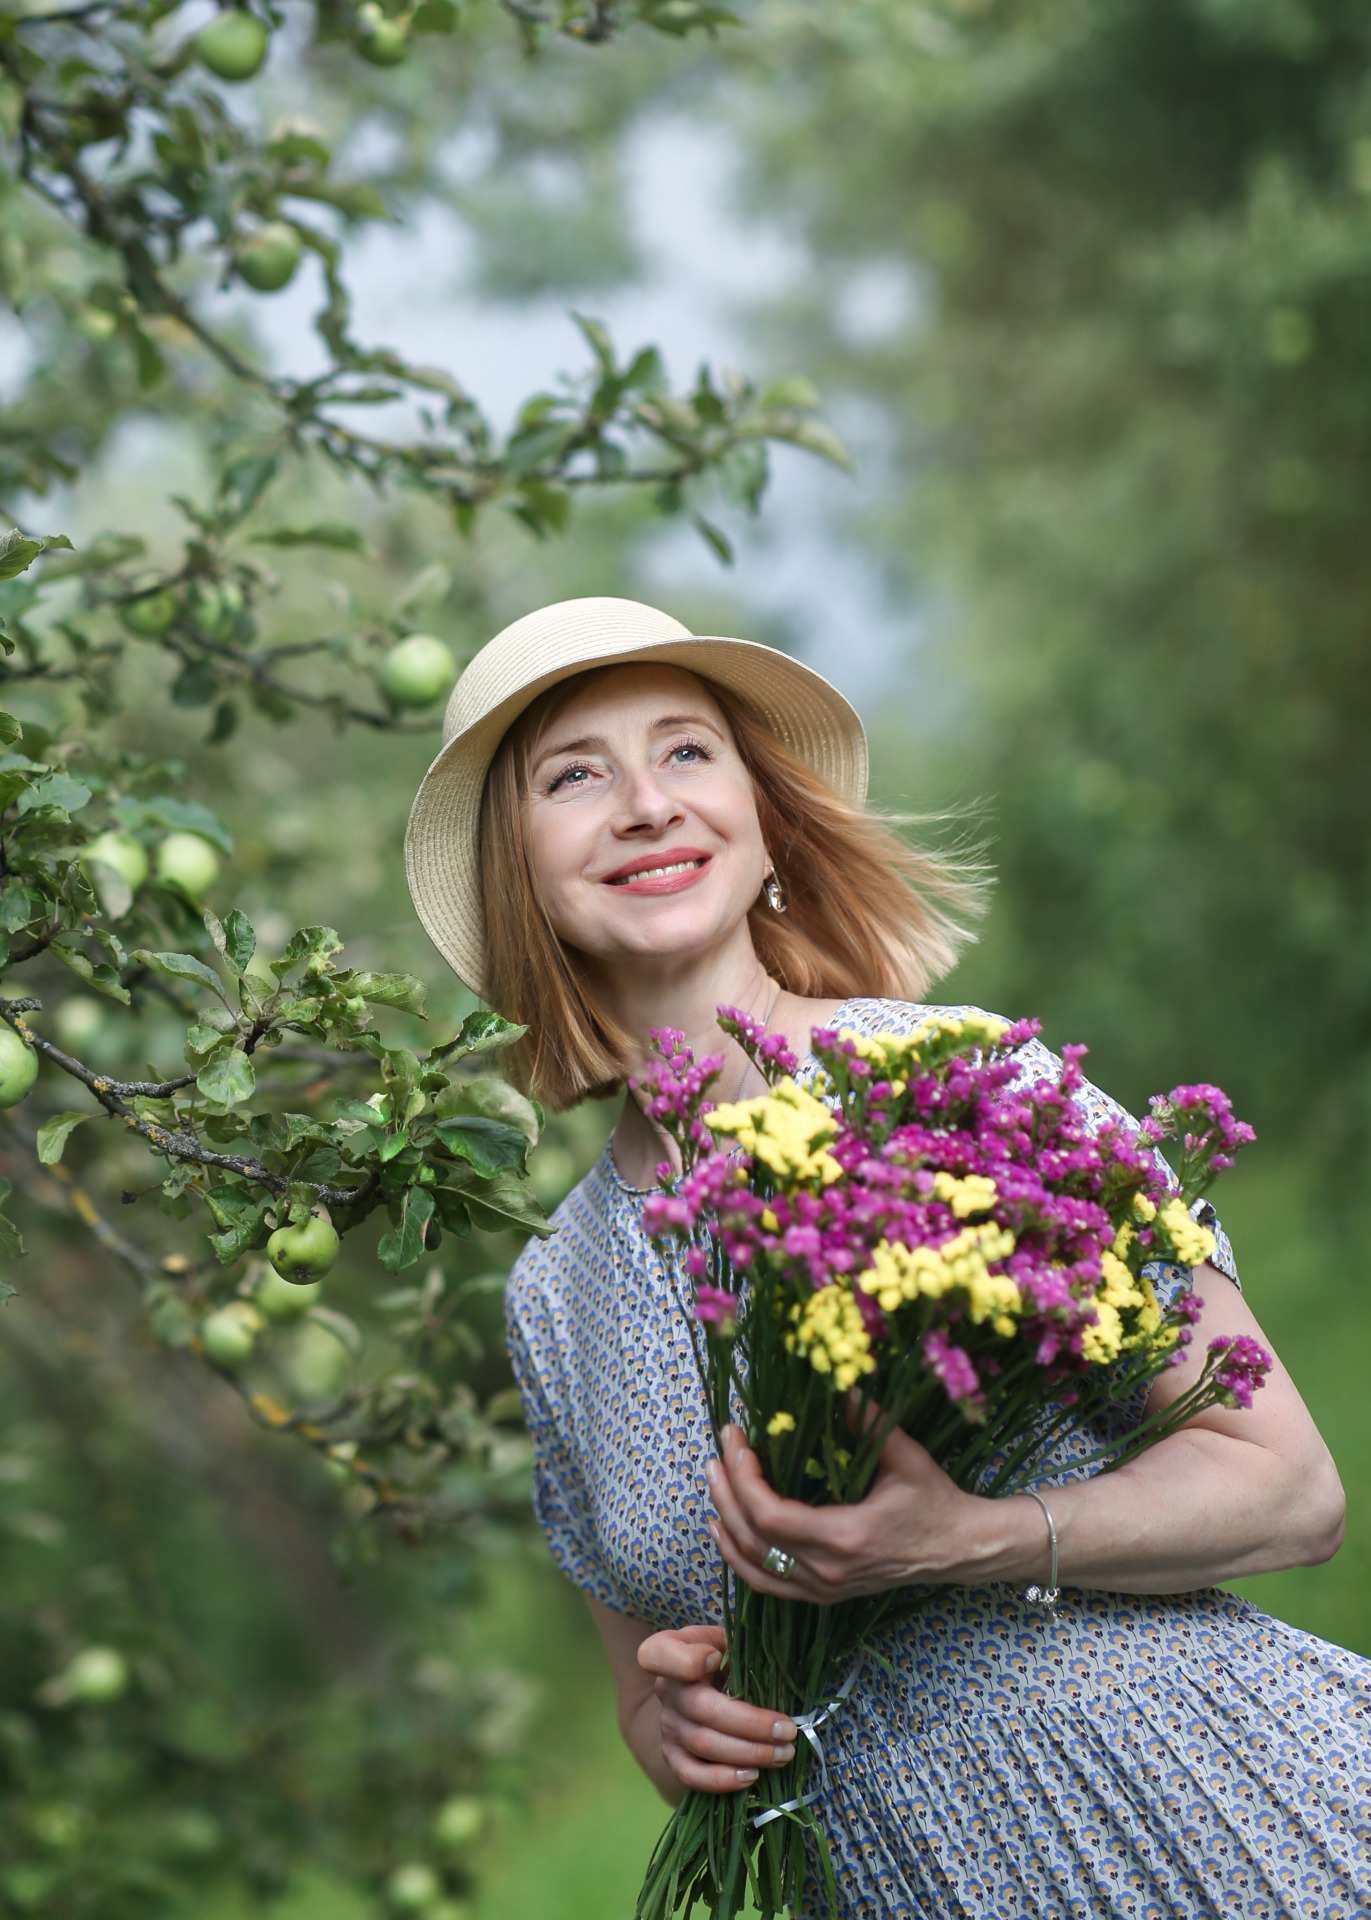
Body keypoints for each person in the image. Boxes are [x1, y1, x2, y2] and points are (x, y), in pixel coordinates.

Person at [405, 596, 1371, 1917]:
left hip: (1208, 1820)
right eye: (576, 776)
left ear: (763, 826)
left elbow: (1291, 1489)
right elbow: (650, 1697)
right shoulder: (552, 1293)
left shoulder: (969, 1084)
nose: (645, 803)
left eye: (687, 751)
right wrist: (677, 1736)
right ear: (520, 875)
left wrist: (967, 1540)